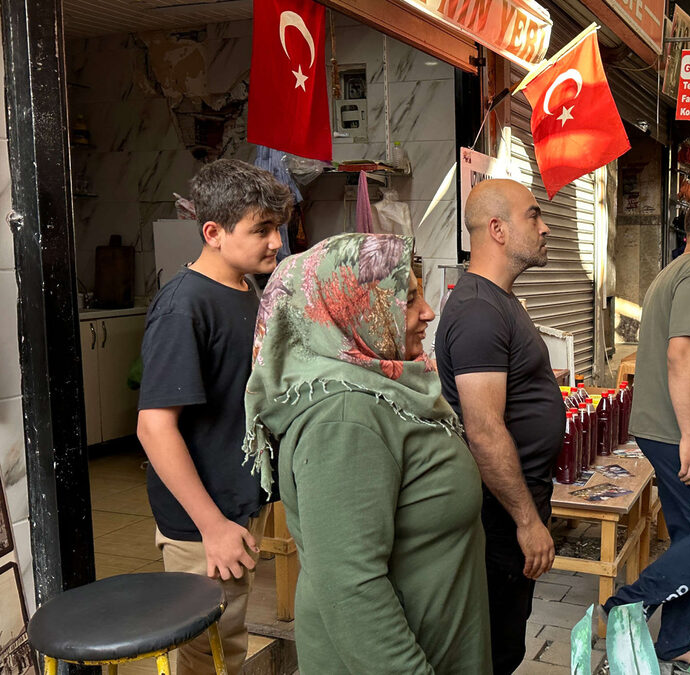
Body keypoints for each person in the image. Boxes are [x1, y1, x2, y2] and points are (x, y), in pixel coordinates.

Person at [242, 234, 490, 673]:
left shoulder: (385, 390)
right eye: (407, 299)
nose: (427, 312)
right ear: (351, 309)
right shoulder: (345, 419)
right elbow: (350, 588)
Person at [136, 159, 291, 675]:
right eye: (261, 230)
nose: (275, 242)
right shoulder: (185, 306)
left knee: (231, 641)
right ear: (214, 232)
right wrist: (211, 526)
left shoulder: (245, 289)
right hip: (203, 521)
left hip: (235, 503)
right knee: (211, 654)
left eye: (277, 228)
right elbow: (154, 426)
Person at [605, 197, 690, 667]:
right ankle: (623, 608)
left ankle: (677, 642)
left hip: (659, 427)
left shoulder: (672, 271)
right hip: (683, 432)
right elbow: (680, 352)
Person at [435, 178, 564, 675]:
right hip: (500, 511)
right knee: (493, 646)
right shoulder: (478, 311)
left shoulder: (498, 302)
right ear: (498, 229)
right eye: (533, 215)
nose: (545, 225)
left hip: (515, 500)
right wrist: (527, 523)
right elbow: (484, 430)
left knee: (506, 636)